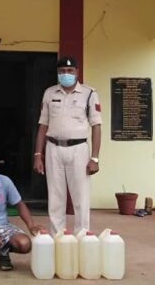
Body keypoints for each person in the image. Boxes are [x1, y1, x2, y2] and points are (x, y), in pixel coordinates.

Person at [33, 56, 102, 234]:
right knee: (55, 198)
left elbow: (96, 126)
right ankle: (58, 238)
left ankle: (82, 238)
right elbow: (43, 125)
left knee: (81, 198)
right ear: (57, 73)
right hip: (53, 148)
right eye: (62, 71)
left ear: (77, 72)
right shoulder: (49, 93)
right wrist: (38, 155)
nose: (66, 74)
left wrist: (95, 158)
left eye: (70, 71)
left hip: (79, 149)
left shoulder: (89, 93)